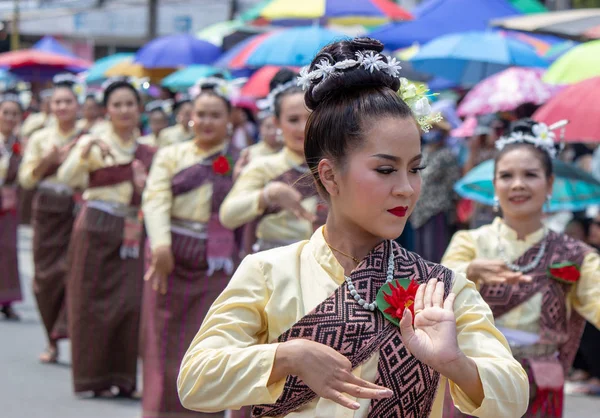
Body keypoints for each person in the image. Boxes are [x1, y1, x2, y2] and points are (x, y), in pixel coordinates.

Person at [178, 38, 529, 418]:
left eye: (415, 169)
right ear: (330, 174)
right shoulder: (268, 273)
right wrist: (286, 356)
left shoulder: (441, 290)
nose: (406, 188)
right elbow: (195, 380)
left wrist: (454, 362)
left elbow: (513, 396)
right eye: (385, 169)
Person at [442, 118, 600, 417]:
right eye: (506, 175)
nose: (518, 184)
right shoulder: (469, 242)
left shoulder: (576, 255)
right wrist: (471, 271)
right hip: (478, 374)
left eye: (530, 174)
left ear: (550, 183)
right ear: (495, 185)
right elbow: (437, 296)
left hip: (541, 383)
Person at [141, 78, 239, 418]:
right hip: (171, 254)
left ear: (230, 119)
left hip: (217, 261)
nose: (207, 121)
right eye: (201, 114)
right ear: (190, 117)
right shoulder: (170, 155)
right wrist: (161, 246)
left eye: (215, 115)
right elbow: (155, 199)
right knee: (163, 343)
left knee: (207, 344)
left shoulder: (240, 160)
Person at [57, 79, 155, 398]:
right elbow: (67, 178)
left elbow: (155, 195)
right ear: (107, 110)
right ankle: (91, 378)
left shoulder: (149, 148)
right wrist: (83, 151)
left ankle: (124, 379)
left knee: (129, 304)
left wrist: (141, 184)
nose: (125, 110)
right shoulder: (94, 142)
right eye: (118, 104)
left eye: (130, 104)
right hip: (95, 224)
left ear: (138, 109)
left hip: (130, 229)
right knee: (89, 302)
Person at [18, 75, 87, 363]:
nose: (62, 107)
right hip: (47, 209)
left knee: (75, 274)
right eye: (57, 101)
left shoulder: (88, 136)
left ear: (77, 105)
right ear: (50, 105)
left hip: (77, 209)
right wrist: (48, 161)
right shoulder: (39, 138)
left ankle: (74, 339)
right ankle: (51, 339)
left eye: (67, 101)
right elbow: (25, 179)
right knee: (45, 277)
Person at [219, 71, 323, 253]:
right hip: (275, 263)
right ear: (277, 123)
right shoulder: (263, 166)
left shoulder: (334, 165)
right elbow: (228, 216)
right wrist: (267, 195)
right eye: (293, 120)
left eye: (309, 118)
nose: (302, 128)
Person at [410, 121, 461, 263]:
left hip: (437, 208)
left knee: (434, 252)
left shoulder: (447, 155)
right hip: (419, 209)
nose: (431, 133)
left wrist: (454, 209)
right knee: (420, 252)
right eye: (429, 129)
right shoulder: (422, 153)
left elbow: (453, 183)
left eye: (435, 130)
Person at [0, 92, 24, 320]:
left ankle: (6, 300)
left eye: (14, 114)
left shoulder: (19, 143)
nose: (9, 117)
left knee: (7, 249)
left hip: (8, 202)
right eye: (5, 112)